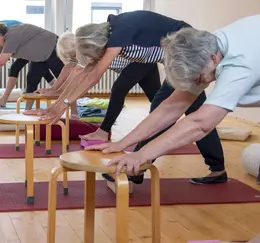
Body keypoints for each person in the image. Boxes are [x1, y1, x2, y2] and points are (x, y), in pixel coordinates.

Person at [87, 13, 260, 243]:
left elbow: (201, 123)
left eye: (202, 78)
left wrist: (142, 154)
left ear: (214, 59)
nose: (201, 84)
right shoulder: (208, 47)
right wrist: (123, 144)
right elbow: (172, 106)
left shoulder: (239, 62)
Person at [25, 10, 227, 185]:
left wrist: (62, 105)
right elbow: (86, 71)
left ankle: (135, 168)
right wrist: (59, 101)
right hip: (176, 62)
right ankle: (217, 168)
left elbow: (95, 75)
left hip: (190, 58)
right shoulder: (112, 32)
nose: (94, 59)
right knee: (193, 112)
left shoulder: (119, 32)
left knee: (164, 110)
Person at [0, 22, 64, 109]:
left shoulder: (12, 35)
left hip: (53, 48)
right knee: (31, 81)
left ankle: (73, 113)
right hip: (39, 57)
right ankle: (27, 112)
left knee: (64, 82)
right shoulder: (5, 40)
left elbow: (2, 60)